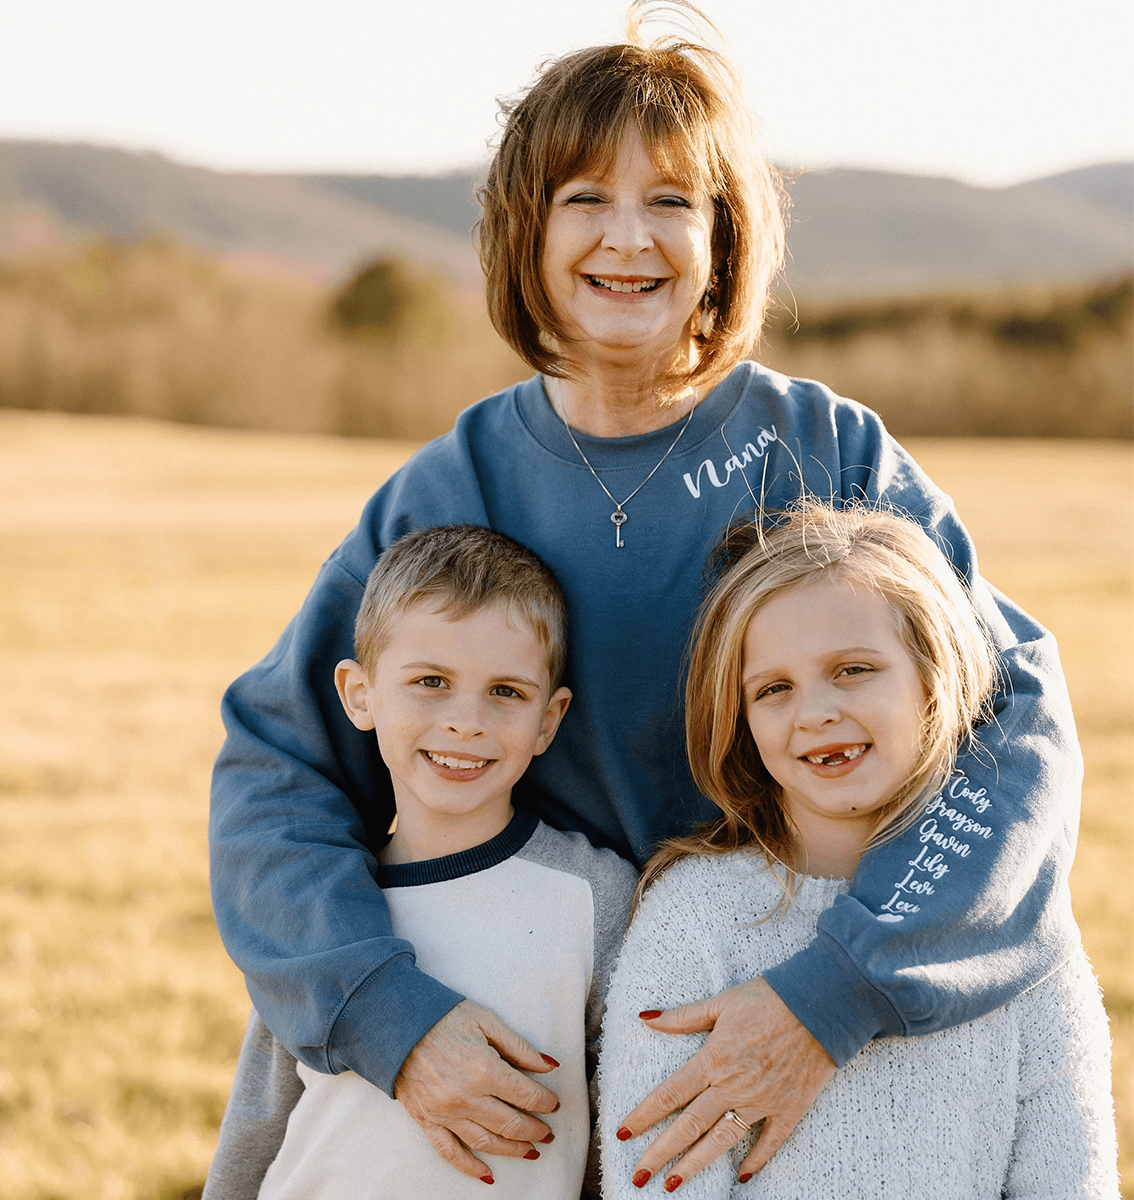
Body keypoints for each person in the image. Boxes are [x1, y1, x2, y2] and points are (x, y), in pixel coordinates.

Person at [208, 2, 1082, 1187]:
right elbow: (276, 774)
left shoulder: (830, 455)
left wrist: (838, 989)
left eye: (672, 200)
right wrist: (387, 1013)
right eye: (586, 199)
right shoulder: (445, 491)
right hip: (511, 1034)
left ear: (725, 237)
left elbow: (1010, 726)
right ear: (527, 230)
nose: (631, 238)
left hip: (760, 1009)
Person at [598, 503, 1118, 1197]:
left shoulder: (1015, 933)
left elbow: (1070, 1180)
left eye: (852, 670)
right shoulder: (692, 920)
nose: (814, 711)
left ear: (934, 680)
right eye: (774, 688)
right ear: (741, 718)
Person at [204, 525, 637, 1199]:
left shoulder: (594, 896)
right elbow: (260, 1115)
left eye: (506, 692)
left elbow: (618, 1127)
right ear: (360, 695)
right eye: (431, 681)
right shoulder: (332, 909)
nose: (466, 720)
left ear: (549, 721)